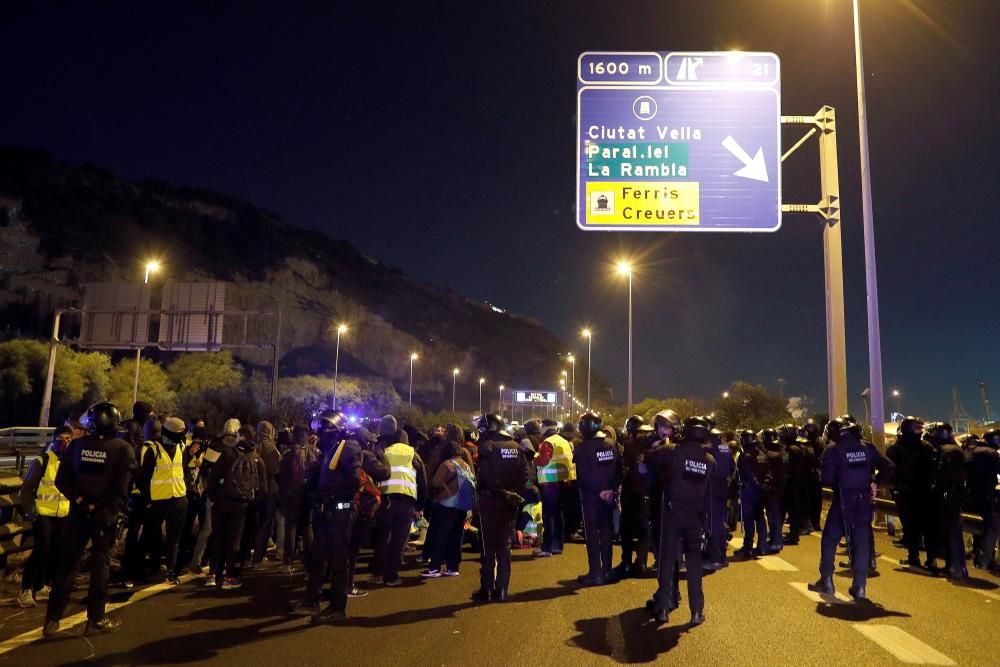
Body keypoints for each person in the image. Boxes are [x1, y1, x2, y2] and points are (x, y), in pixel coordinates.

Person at [44, 402, 136, 637]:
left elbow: (62, 480)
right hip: (104, 516)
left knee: (67, 565)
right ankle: (95, 619)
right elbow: (121, 489)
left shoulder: (76, 446)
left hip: (77, 514)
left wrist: (81, 500)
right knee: (100, 567)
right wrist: (99, 504)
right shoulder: (123, 449)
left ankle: (52, 620)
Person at [809, 418, 894, 600]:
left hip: (843, 500)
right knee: (861, 542)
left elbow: (827, 479)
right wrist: (875, 482)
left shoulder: (832, 450)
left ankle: (826, 580)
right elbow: (889, 466)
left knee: (830, 539)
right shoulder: (867, 447)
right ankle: (860, 587)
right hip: (863, 501)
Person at [291, 409, 363, 622]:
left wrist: (331, 491)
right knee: (318, 558)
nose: (321, 432)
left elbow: (354, 480)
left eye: (325, 427)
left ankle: (337, 607)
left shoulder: (348, 447)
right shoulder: (331, 448)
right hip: (327, 511)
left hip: (341, 512)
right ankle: (311, 599)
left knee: (339, 561)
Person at [646, 416, 716, 625]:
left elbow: (649, 461)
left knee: (667, 560)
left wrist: (657, 446)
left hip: (672, 514)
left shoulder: (672, 451)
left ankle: (663, 610)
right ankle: (696, 612)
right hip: (695, 517)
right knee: (694, 564)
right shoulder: (709, 460)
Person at [472, 414, 529, 603]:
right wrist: (514, 496)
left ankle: (487, 589)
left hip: (490, 501)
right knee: (504, 548)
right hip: (510, 504)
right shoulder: (516, 447)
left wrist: (502, 493)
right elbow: (524, 475)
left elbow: (486, 477)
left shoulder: (487, 447)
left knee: (488, 548)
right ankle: (502, 589)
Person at [18, 426, 73, 607]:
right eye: (61, 438)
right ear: (54, 439)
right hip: (43, 514)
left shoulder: (70, 462)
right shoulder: (43, 461)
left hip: (63, 514)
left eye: (68, 438)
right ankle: (25, 590)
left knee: (54, 552)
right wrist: (32, 513)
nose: (65, 442)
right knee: (42, 550)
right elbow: (26, 490)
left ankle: (40, 586)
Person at [207, 424, 266, 590]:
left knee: (218, 536)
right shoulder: (255, 459)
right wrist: (250, 502)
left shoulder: (227, 454)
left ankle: (213, 574)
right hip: (241, 505)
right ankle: (230, 577)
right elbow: (261, 487)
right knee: (234, 540)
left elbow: (213, 477)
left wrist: (212, 498)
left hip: (221, 501)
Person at [371, 417, 427, 586]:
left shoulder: (385, 452)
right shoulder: (413, 454)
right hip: (406, 502)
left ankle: (377, 575)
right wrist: (420, 505)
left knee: (382, 538)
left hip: (385, 500)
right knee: (398, 540)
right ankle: (392, 576)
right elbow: (422, 481)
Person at [136, 417, 189, 585]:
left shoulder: (181, 447)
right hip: (158, 500)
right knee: (149, 536)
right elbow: (142, 478)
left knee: (174, 539)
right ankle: (141, 570)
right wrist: (148, 500)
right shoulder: (154, 449)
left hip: (178, 498)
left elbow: (184, 470)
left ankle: (170, 571)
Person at [573, 412, 622, 586]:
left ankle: (595, 573)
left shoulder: (582, 448)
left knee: (592, 535)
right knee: (607, 533)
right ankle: (607, 570)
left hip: (591, 497)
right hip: (608, 497)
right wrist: (610, 489)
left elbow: (583, 476)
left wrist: (599, 491)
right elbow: (619, 470)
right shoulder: (612, 444)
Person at [422, 436, 476, 578]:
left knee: (440, 536)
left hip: (446, 505)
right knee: (455, 537)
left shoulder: (446, 464)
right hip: (462, 507)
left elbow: (435, 483)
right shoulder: (466, 465)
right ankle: (453, 568)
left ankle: (434, 568)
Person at [885, 417, 936, 569]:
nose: (919, 431)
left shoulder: (894, 447)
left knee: (911, 526)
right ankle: (930, 559)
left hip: (906, 492)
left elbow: (889, 469)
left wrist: (894, 487)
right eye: (917, 428)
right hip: (923, 492)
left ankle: (914, 557)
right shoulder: (927, 446)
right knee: (926, 526)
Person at [927, 422, 968, 579]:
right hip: (955, 496)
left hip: (947, 498)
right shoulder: (956, 449)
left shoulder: (946, 451)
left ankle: (955, 567)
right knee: (953, 531)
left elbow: (942, 477)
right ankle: (956, 566)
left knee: (951, 532)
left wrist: (934, 490)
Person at [615, 415, 654, 577]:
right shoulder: (654, 445)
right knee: (644, 529)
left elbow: (623, 468)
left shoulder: (629, 445)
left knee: (627, 530)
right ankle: (642, 562)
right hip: (646, 493)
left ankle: (626, 563)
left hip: (630, 493)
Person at [533, 418, 575, 558]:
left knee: (548, 515)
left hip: (550, 483)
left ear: (544, 428)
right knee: (557, 515)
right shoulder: (562, 441)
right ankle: (558, 545)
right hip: (564, 482)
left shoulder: (548, 442)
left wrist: (534, 457)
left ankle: (547, 547)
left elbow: (543, 460)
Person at [279, 425, 319, 571]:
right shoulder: (314, 452)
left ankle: (287, 563)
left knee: (291, 527)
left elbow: (281, 476)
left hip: (292, 495)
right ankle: (308, 563)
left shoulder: (288, 453)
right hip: (308, 496)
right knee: (308, 528)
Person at [968, 429, 1000, 572]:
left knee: (983, 527)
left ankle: (979, 555)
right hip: (984, 498)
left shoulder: (971, 450)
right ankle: (984, 560)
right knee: (993, 527)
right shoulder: (991, 453)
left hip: (969, 498)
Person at [250, 420, 281, 567]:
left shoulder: (255, 445)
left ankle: (253, 553)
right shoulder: (270, 447)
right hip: (269, 489)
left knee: (257, 522)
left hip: (256, 489)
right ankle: (258, 557)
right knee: (266, 524)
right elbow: (275, 470)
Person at [704, 428, 735, 569]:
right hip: (723, 486)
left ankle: (715, 559)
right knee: (720, 521)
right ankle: (722, 557)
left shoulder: (710, 447)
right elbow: (732, 468)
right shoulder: (726, 446)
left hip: (712, 487)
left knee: (713, 524)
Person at [735, 429, 766, 558]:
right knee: (760, 519)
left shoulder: (744, 456)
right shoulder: (762, 454)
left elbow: (748, 474)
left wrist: (752, 485)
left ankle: (748, 547)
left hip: (749, 491)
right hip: (761, 491)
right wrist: (763, 485)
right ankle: (762, 546)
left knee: (748, 520)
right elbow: (767, 472)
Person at [759, 427, 787, 554]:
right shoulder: (778, 447)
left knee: (774, 516)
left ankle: (776, 542)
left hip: (773, 488)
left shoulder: (772, 449)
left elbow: (771, 456)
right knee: (773, 515)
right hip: (777, 487)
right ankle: (775, 540)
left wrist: (761, 449)